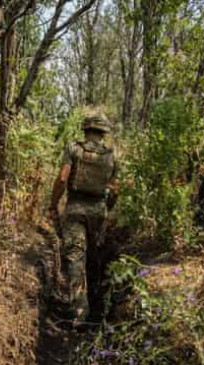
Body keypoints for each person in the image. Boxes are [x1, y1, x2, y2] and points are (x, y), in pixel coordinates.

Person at [49, 111, 119, 328]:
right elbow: (115, 189)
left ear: (86, 130)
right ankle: (97, 302)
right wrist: (107, 210)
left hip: (75, 209)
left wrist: (53, 204)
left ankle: (80, 312)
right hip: (99, 211)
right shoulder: (112, 155)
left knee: (75, 257)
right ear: (103, 133)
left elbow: (62, 178)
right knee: (93, 256)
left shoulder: (74, 148)